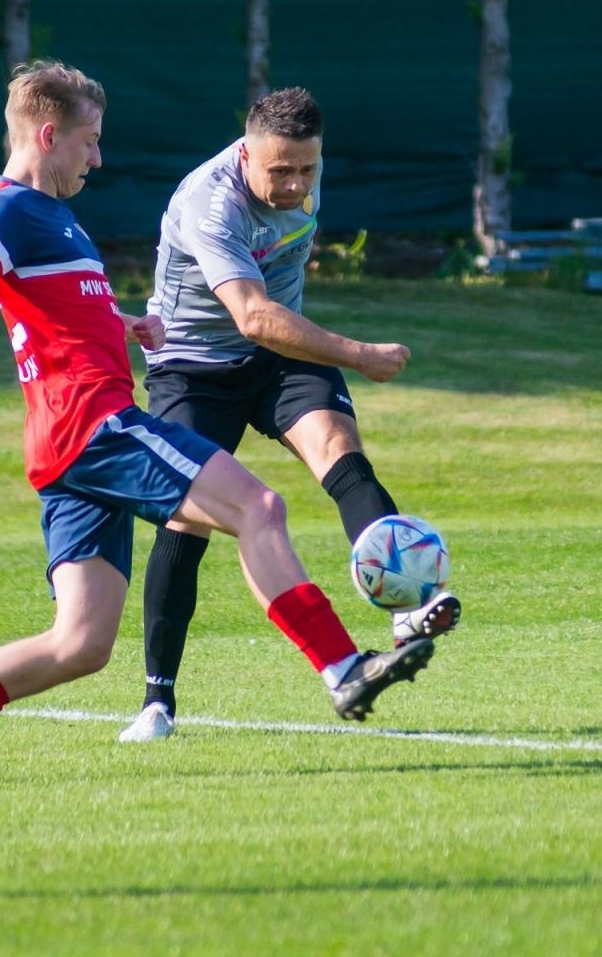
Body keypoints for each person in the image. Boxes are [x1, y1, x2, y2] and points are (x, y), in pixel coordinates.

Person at [0, 61, 432, 785]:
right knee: (259, 507)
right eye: (89, 141)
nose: (98, 157)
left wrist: (122, 322)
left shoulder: (56, 216)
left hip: (61, 448)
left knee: (81, 643)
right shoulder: (7, 212)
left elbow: (46, 310)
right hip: (94, 427)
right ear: (48, 134)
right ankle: (344, 668)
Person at [118, 87, 460, 744]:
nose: (296, 183)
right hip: (194, 370)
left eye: (307, 168)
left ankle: (407, 611)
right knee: (186, 523)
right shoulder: (208, 204)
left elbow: (270, 320)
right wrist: (358, 354)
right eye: (280, 171)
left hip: (279, 358)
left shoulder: (303, 169)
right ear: (246, 153)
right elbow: (251, 315)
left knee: (341, 450)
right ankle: (156, 700)